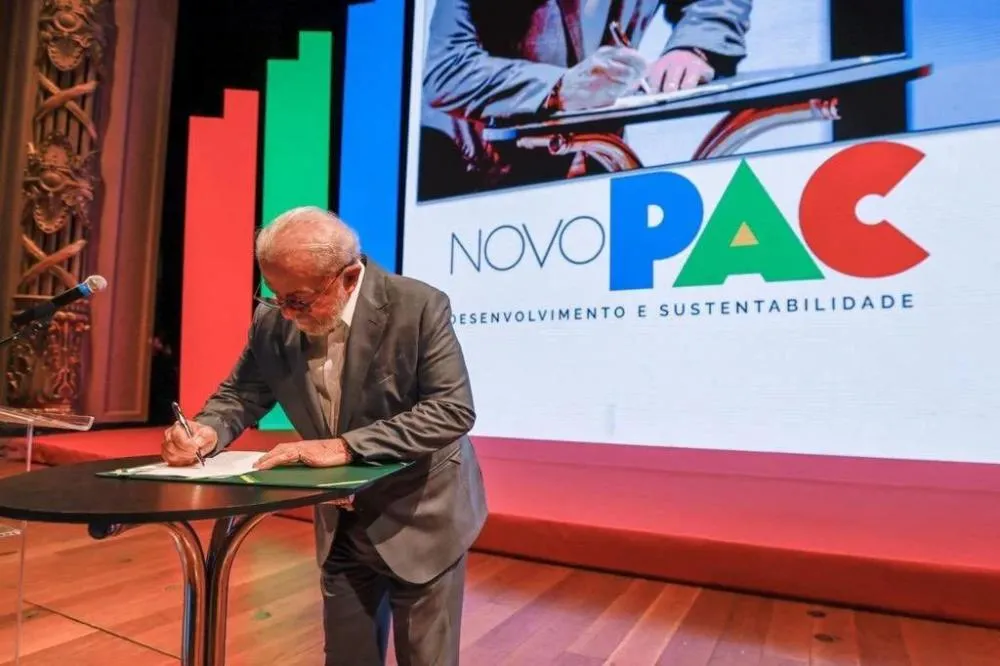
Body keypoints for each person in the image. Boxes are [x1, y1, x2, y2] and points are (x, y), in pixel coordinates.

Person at [160, 206, 487, 666]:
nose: (285, 313)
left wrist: (344, 447)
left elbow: (451, 410)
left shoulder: (417, 306)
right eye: (273, 295)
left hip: (420, 515)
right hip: (341, 524)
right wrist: (206, 430)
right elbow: (242, 393)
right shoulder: (273, 320)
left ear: (349, 278)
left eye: (299, 300)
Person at [418, 0, 752, 199]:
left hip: (594, 157)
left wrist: (694, 47)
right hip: (470, 170)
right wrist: (558, 88)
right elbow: (447, 67)